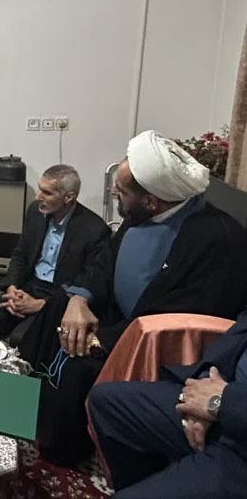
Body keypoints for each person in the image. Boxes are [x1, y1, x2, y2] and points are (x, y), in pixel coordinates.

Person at [19, 130, 247, 466]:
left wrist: (103, 339)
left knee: (78, 361)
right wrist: (79, 299)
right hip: (118, 317)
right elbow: (105, 263)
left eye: (121, 190)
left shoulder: (219, 241)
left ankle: (59, 452)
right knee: (58, 306)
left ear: (151, 201)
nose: (113, 192)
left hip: (150, 342)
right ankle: (25, 393)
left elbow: (177, 318)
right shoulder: (141, 213)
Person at [88, 310, 247, 497]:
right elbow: (240, 330)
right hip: (229, 398)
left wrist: (219, 404)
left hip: (239, 449)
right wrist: (207, 382)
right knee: (107, 402)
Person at [0, 164, 109, 346]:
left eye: (47, 193)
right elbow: (21, 253)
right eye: (39, 189)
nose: (38, 197)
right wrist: (13, 288)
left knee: (21, 340)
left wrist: (40, 305)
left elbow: (88, 280)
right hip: (31, 285)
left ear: (68, 197)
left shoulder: (94, 229)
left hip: (61, 295)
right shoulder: (36, 211)